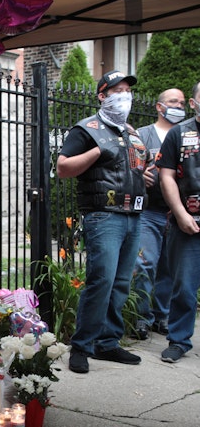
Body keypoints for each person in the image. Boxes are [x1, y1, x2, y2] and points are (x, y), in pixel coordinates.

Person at [57, 70, 153, 374]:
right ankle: (82, 347)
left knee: (122, 283)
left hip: (133, 215)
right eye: (117, 90)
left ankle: (107, 343)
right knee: (101, 281)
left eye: (127, 90)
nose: (124, 95)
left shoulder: (131, 131)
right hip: (104, 216)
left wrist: (143, 175)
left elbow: (132, 166)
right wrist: (99, 150)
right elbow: (62, 167)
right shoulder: (87, 129)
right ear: (102, 96)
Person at [131, 88, 186, 339]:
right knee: (145, 263)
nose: (179, 105)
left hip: (178, 213)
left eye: (182, 102)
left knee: (169, 268)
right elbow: (127, 165)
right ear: (159, 106)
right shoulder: (143, 134)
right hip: (149, 211)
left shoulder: (187, 134)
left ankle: (161, 315)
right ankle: (142, 317)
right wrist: (138, 174)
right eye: (173, 101)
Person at [156, 81, 200, 363]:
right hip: (188, 223)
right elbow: (166, 175)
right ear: (194, 103)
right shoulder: (179, 133)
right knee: (183, 285)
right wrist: (181, 213)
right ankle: (179, 340)